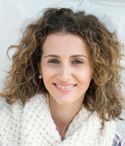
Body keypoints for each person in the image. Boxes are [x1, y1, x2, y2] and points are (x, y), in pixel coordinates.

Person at [0, 7, 124, 146]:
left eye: (77, 61)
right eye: (53, 61)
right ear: (39, 67)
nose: (64, 76)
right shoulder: (4, 126)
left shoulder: (109, 138)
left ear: (95, 69)